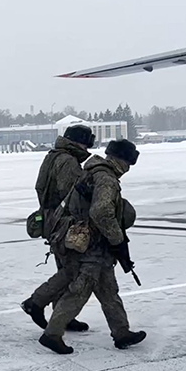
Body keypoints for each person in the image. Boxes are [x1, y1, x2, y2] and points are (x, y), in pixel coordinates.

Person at [39, 140, 146, 355]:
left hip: (91, 241)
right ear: (122, 160)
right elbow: (101, 212)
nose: (128, 169)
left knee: (108, 289)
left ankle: (121, 332)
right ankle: (52, 333)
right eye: (129, 163)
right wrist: (118, 240)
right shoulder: (106, 178)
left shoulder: (94, 171)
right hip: (93, 245)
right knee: (80, 290)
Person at [20, 125, 93, 332]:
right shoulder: (68, 161)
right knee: (71, 270)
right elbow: (73, 195)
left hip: (52, 220)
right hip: (64, 222)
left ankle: (63, 315)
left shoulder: (52, 156)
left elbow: (40, 187)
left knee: (64, 267)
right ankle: (35, 302)